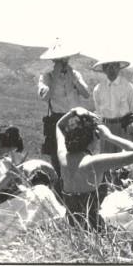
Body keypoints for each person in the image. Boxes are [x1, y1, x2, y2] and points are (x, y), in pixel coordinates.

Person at [0, 125, 65, 241]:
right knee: (41, 194)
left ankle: (60, 224)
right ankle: (64, 224)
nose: (5, 155)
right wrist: (7, 177)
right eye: (6, 151)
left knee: (39, 192)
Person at [56, 107, 133, 230]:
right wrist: (109, 137)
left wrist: (73, 111)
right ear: (92, 138)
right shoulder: (94, 162)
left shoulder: (63, 157)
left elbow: (59, 126)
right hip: (92, 228)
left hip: (70, 225)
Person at [38, 39, 90, 176]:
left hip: (75, 119)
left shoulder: (75, 74)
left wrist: (74, 79)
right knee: (57, 156)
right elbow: (45, 97)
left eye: (64, 58)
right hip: (57, 120)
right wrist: (54, 79)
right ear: (54, 60)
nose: (62, 61)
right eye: (59, 59)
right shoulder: (46, 76)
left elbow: (86, 94)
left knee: (79, 152)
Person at [91, 58, 133, 154]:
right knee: (106, 159)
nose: (111, 69)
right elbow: (98, 113)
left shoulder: (128, 87)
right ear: (104, 69)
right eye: (107, 66)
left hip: (123, 126)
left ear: (118, 68)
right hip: (106, 127)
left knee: (123, 158)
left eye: (114, 66)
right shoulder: (98, 89)